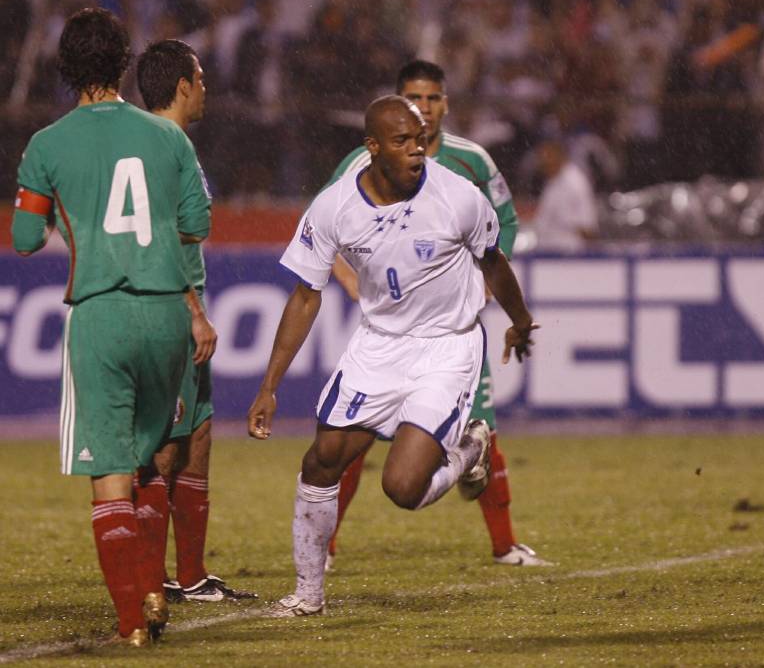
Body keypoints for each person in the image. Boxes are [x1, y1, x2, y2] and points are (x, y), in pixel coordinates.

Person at [246, 95, 539, 617]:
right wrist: (269, 385)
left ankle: (470, 451)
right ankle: (308, 596)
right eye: (403, 141)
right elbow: (306, 295)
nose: (418, 151)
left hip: (446, 347)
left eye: (422, 139)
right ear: (373, 148)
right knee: (321, 461)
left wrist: (518, 322)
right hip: (378, 345)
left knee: (402, 488)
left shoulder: (460, 197)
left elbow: (493, 265)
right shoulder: (335, 205)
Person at [11, 8, 215, 646]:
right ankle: (154, 588)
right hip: (165, 315)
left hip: (101, 312)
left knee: (110, 473)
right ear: (124, 63)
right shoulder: (168, 137)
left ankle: (133, 623)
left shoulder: (47, 144)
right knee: (156, 459)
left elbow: (24, 238)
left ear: (65, 68)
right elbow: (195, 227)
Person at [324, 59, 549, 568]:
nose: (423, 109)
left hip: (452, 331)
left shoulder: (472, 161)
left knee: (480, 429)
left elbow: (503, 223)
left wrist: (492, 283)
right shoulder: (363, 161)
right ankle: (327, 544)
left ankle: (504, 544)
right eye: (413, 99)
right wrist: (351, 281)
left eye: (432, 99)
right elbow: (327, 228)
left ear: (446, 103)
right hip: (388, 334)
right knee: (353, 439)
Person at [135, 39, 256, 604]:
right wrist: (192, 312)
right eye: (201, 79)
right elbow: (160, 238)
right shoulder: (158, 148)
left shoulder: (174, 143)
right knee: (164, 445)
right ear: (182, 86)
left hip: (187, 308)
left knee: (198, 435)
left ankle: (191, 575)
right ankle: (151, 578)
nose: (206, 88)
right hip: (169, 310)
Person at [531, 137, 599, 253]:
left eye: (548, 156)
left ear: (560, 156)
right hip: (546, 252)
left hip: (568, 256)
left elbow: (588, 227)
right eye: (541, 158)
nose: (543, 162)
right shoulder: (552, 181)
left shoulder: (575, 182)